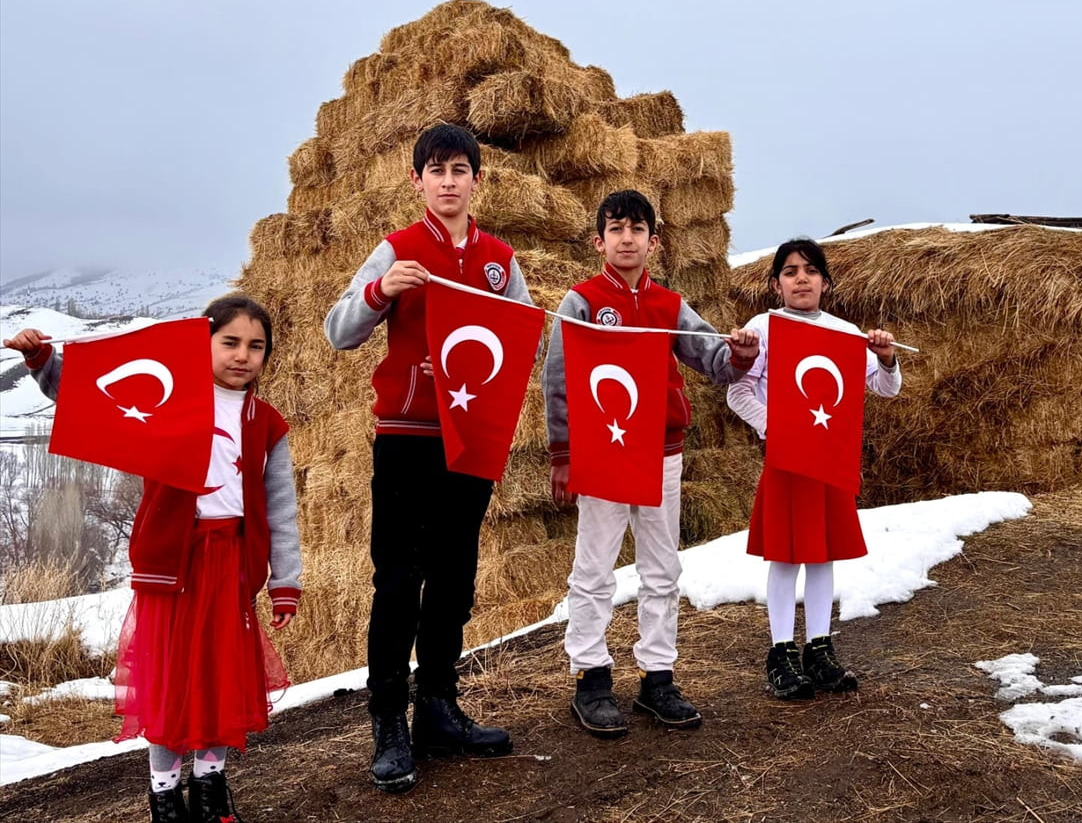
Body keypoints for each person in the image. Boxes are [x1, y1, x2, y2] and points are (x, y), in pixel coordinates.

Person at [4, 294, 302, 823]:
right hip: (172, 568)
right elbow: (83, 393)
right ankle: (165, 797)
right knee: (170, 687)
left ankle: (210, 790)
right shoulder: (174, 399)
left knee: (219, 682)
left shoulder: (267, 423)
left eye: (256, 346)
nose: (242, 355)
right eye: (229, 342)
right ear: (203, 343)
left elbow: (280, 509)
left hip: (231, 568)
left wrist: (285, 582)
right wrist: (42, 362)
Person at [325, 123, 531, 793]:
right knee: (397, 577)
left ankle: (439, 705)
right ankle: (389, 718)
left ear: (477, 180)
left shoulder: (501, 260)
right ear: (417, 181)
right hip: (408, 433)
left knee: (455, 573)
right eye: (435, 169)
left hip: (469, 438)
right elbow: (338, 332)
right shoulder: (397, 249)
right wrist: (381, 291)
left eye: (459, 169)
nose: (448, 180)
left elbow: (523, 340)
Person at [542, 189, 760, 738]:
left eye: (637, 229)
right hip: (603, 453)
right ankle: (591, 677)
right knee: (594, 568)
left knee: (662, 568)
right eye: (616, 229)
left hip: (661, 452)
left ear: (654, 242)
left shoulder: (669, 305)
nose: (627, 238)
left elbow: (712, 357)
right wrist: (562, 455)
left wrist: (738, 354)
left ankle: (658, 676)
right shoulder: (583, 302)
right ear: (599, 241)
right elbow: (559, 381)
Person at [725, 238, 900, 700]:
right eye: (789, 271)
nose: (800, 278)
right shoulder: (764, 327)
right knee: (785, 555)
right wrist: (777, 429)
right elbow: (738, 392)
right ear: (777, 283)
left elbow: (884, 388)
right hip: (787, 460)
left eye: (809, 270)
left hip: (829, 460)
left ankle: (819, 649)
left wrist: (886, 357)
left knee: (823, 554)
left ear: (824, 280)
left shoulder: (844, 332)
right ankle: (780, 652)